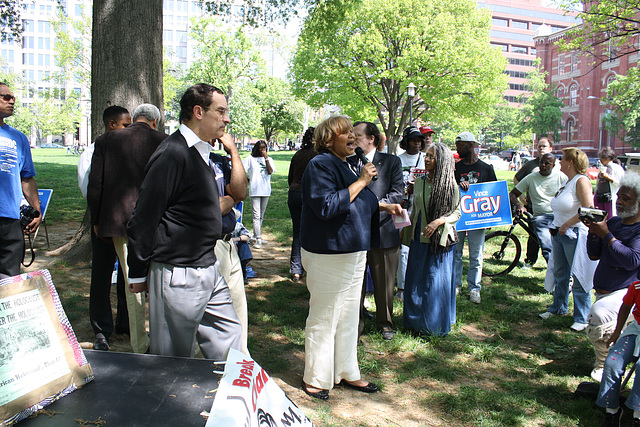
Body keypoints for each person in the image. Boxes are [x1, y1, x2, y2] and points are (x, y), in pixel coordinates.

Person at [126, 83, 242, 359]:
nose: (226, 118)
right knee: (172, 360)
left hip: (209, 267)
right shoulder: (172, 155)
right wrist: (138, 272)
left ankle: (229, 397)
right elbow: (143, 217)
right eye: (221, 111)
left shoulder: (201, 152)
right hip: (177, 274)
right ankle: (167, 402)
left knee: (231, 340)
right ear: (198, 112)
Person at [299, 115, 401, 400]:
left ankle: (346, 371)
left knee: (347, 316)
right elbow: (327, 205)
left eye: (354, 133)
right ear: (329, 139)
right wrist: (362, 181)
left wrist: (383, 206)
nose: (353, 137)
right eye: (346, 133)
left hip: (354, 251)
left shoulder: (346, 164)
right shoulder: (320, 164)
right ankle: (316, 377)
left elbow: (358, 202)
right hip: (329, 252)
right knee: (325, 315)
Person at [88, 103, 166, 353]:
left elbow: (95, 184)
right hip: (154, 223)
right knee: (153, 281)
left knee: (130, 283)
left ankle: (136, 342)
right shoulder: (165, 141)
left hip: (117, 221)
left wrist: (97, 220)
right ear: (155, 122)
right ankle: (156, 337)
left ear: (134, 119)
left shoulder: (107, 140)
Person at [80, 105, 132, 351]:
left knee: (126, 275)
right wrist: (98, 220)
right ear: (112, 124)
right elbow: (90, 187)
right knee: (101, 277)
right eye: (125, 125)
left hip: (125, 225)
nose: (129, 130)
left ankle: (125, 321)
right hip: (103, 224)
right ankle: (101, 329)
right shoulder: (94, 150)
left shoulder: (126, 149)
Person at [584, 172, 640, 383]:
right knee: (601, 318)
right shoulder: (615, 222)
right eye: (619, 197)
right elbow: (594, 254)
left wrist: (606, 235)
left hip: (627, 293)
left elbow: (632, 260)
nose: (620, 201)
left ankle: (603, 364)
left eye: (627, 198)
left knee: (598, 315)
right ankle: (607, 361)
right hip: (604, 291)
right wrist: (593, 230)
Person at [402, 142, 460, 336]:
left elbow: (457, 212)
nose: (426, 159)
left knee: (435, 281)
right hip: (419, 236)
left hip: (440, 241)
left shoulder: (450, 185)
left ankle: (434, 324)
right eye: (426, 156)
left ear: (441, 160)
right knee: (416, 278)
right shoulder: (418, 182)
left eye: (431, 157)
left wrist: (438, 222)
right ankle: (414, 322)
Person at [353, 121, 403, 340]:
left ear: (371, 138)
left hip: (383, 230)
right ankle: (356, 321)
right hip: (355, 232)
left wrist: (373, 206)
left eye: (357, 136)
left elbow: (396, 194)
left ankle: (385, 322)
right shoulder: (348, 162)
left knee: (384, 282)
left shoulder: (392, 162)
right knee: (355, 282)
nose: (352, 139)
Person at [540, 148, 597, 332]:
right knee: (561, 274)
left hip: (574, 235)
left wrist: (567, 225)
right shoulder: (567, 181)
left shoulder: (582, 181)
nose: (559, 162)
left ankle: (582, 317)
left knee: (579, 276)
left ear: (571, 162)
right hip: (559, 234)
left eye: (562, 159)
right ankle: (558, 307)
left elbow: (589, 210)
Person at [210, 133, 250, 355]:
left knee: (238, 308)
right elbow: (209, 209)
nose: (225, 123)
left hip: (228, 243)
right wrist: (228, 200)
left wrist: (233, 152)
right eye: (220, 114)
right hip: (209, 245)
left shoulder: (219, 160)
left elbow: (240, 192)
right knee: (213, 314)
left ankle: (241, 361)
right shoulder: (190, 158)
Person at [0, 83, 41, 279]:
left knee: (10, 278)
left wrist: (37, 210)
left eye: (13, 97)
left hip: (10, 218)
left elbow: (26, 178)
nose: (12, 100)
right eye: (6, 97)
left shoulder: (19, 138)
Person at [454, 131, 497, 304]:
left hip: (477, 218)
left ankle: (474, 288)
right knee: (456, 253)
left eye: (460, 145)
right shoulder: (456, 168)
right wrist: (458, 185)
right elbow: (449, 188)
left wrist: (490, 218)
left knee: (476, 255)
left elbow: (494, 193)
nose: (457, 149)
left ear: (470, 146)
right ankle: (456, 285)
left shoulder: (486, 169)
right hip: (458, 217)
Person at [595, 278, 640, 426]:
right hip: (636, 329)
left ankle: (637, 415)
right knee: (612, 362)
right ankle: (612, 411)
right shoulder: (636, 286)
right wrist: (617, 332)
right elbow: (626, 306)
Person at [509, 153, 566, 265]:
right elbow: (512, 194)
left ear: (553, 165)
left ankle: (561, 273)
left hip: (559, 217)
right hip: (540, 218)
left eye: (547, 163)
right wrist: (519, 205)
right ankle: (555, 273)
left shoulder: (561, 177)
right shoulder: (531, 178)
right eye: (541, 162)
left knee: (560, 246)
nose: (543, 165)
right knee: (546, 246)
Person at [513, 137, 554, 267]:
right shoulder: (530, 166)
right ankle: (530, 260)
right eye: (539, 146)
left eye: (544, 146)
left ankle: (555, 267)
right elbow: (516, 179)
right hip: (533, 207)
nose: (541, 148)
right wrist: (521, 198)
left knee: (550, 241)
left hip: (554, 211)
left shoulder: (558, 169)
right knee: (534, 236)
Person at [396, 126, 426, 301]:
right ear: (406, 142)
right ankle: (402, 286)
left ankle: (417, 284)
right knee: (403, 249)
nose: (417, 143)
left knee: (419, 246)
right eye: (413, 140)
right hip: (402, 208)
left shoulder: (425, 159)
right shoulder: (397, 160)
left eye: (419, 140)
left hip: (420, 209)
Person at [287, 127, 316, 282]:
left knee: (297, 233)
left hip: (294, 193)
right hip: (308, 195)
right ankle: (309, 267)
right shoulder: (318, 155)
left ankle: (296, 269)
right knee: (311, 233)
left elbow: (290, 177)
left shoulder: (298, 154)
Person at [243, 140, 275, 249]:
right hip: (255, 190)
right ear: (257, 148)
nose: (263, 150)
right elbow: (240, 169)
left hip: (265, 190)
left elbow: (270, 171)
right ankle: (258, 239)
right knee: (256, 215)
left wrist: (266, 158)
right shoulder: (250, 159)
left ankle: (257, 235)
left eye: (264, 148)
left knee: (261, 215)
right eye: (261, 148)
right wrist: (247, 179)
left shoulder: (269, 159)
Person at [594, 147, 625, 217]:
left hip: (609, 197)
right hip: (600, 196)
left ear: (608, 158)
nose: (601, 160)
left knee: (609, 216)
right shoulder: (603, 167)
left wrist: (607, 177)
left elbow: (620, 183)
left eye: (603, 158)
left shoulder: (616, 168)